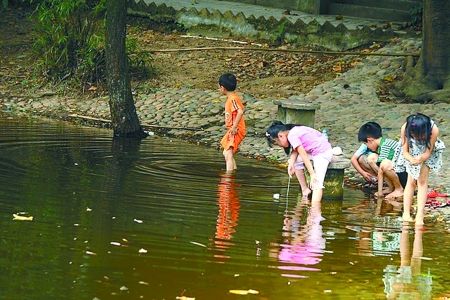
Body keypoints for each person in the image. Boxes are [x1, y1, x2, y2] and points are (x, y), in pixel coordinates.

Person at [394, 113, 445, 226]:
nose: (418, 138)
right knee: (410, 181)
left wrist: (420, 159)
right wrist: (411, 159)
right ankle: (406, 214)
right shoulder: (405, 128)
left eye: (421, 135)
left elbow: (428, 152)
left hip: (426, 151)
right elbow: (405, 151)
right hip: (412, 150)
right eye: (415, 135)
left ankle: (419, 216)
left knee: (422, 181)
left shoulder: (434, 130)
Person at [265, 121, 332, 202]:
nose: (280, 146)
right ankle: (305, 190)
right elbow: (296, 150)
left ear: (281, 136)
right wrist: (291, 163)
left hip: (322, 152)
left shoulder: (292, 135)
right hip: (313, 151)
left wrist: (312, 174)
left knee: (316, 183)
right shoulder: (293, 131)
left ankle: (315, 212)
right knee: (296, 161)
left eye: (277, 143)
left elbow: (303, 154)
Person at [358, 122, 406, 199]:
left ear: (370, 140)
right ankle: (391, 187)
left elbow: (381, 171)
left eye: (365, 143)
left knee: (384, 165)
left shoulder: (385, 146)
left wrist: (379, 192)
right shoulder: (383, 143)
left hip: (405, 173)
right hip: (399, 171)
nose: (367, 147)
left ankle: (399, 189)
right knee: (372, 158)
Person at [218, 73, 246, 172]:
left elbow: (240, 111)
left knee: (228, 153)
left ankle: (229, 177)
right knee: (226, 152)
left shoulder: (233, 99)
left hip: (236, 130)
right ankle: (232, 171)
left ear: (222, 87)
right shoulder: (232, 98)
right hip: (232, 129)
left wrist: (234, 127)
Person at [351, 121, 380, 186]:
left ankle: (383, 180)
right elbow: (353, 159)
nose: (365, 144)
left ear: (370, 140)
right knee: (360, 158)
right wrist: (363, 173)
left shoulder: (384, 145)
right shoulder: (366, 144)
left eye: (365, 143)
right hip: (376, 170)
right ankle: (374, 179)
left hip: (383, 169)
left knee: (371, 158)